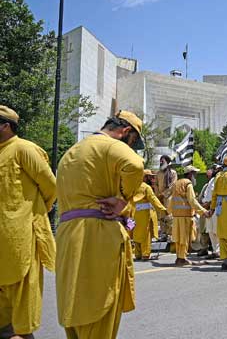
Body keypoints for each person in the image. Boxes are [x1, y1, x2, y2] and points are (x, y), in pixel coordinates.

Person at [55, 110, 145, 339]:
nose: (131, 146)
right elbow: (135, 165)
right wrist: (124, 199)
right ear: (125, 132)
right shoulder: (110, 145)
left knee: (75, 306)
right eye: (133, 141)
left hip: (67, 234)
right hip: (98, 233)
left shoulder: (71, 153)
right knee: (99, 311)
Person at [0, 106, 56, 339]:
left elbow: (50, 186)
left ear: (5, 125)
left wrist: (34, 210)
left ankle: (22, 332)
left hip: (21, 233)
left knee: (23, 284)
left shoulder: (24, 149)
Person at [167, 165, 207, 267]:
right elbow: (192, 200)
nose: (196, 176)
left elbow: (171, 199)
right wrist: (203, 211)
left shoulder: (177, 184)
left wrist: (169, 212)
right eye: (194, 174)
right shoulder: (188, 184)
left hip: (177, 216)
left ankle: (179, 257)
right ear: (190, 174)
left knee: (179, 238)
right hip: (185, 216)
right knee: (184, 238)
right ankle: (182, 259)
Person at [131, 170, 167, 261]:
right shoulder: (146, 188)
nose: (152, 179)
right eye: (149, 177)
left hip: (135, 214)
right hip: (145, 215)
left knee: (136, 234)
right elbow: (154, 199)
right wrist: (163, 210)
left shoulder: (133, 186)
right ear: (144, 177)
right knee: (145, 234)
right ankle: (145, 254)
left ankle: (138, 254)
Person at [199, 166, 221, 259]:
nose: (217, 170)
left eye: (218, 169)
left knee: (217, 231)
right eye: (216, 169)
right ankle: (215, 252)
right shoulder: (211, 181)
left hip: (215, 208)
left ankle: (220, 251)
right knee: (211, 231)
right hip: (208, 209)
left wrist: (209, 206)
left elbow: (216, 196)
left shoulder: (219, 180)